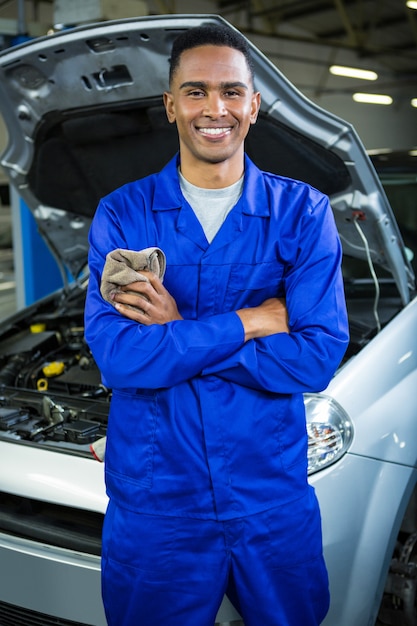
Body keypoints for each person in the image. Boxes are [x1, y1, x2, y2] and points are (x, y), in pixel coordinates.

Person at [84, 22, 349, 626]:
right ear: (170, 104)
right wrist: (252, 320)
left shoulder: (303, 214)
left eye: (232, 92)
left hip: (268, 497)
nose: (215, 108)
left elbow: (315, 358)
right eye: (196, 91)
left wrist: (176, 329)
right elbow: (120, 357)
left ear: (254, 106)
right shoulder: (124, 214)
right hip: (158, 503)